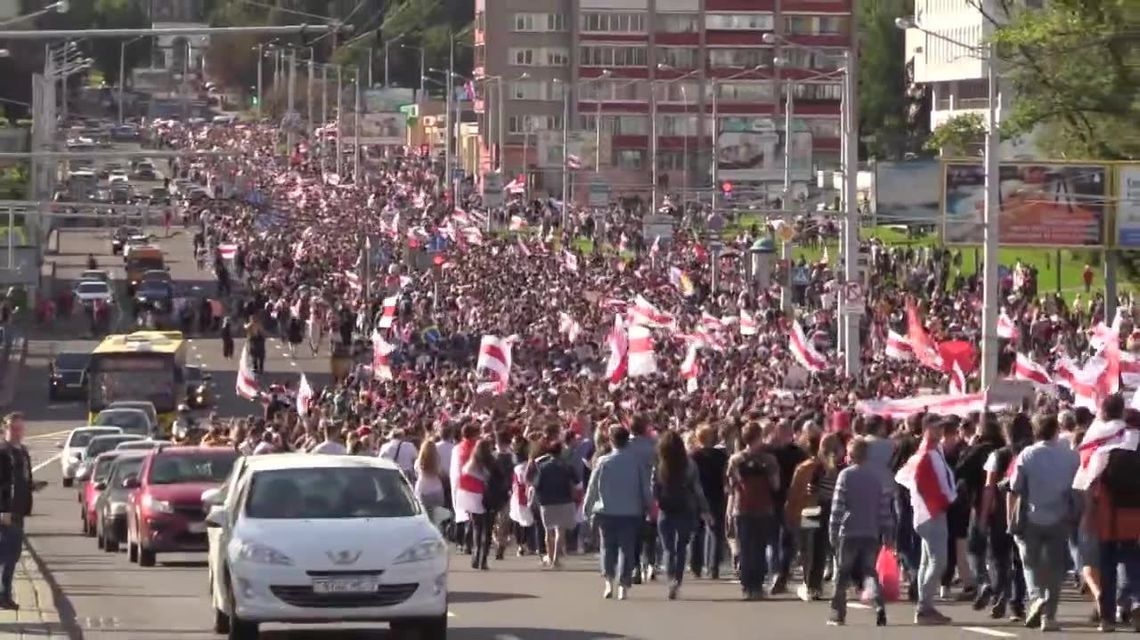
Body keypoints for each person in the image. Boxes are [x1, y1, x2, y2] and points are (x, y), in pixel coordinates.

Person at [1009, 412, 1079, 631]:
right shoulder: (1070, 455)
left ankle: (1036, 596)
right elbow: (1077, 484)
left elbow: (1016, 485)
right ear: (1056, 430)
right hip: (1060, 516)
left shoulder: (1027, 454)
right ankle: (1049, 616)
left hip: (1032, 516)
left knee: (1030, 563)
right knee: (1055, 569)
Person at [896, 414, 957, 625]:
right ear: (926, 430)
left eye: (942, 427)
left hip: (930, 512)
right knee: (937, 561)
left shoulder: (931, 452)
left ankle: (924, 605)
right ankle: (924, 608)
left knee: (927, 561)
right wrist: (937, 502)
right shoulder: (925, 455)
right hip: (931, 513)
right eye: (936, 427)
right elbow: (918, 482)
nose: (940, 431)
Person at [827, 436, 893, 627]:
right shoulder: (876, 478)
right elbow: (883, 508)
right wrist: (887, 532)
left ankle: (838, 614)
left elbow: (838, 507)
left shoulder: (845, 476)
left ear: (850, 455)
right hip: (871, 531)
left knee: (843, 573)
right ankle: (879, 606)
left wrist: (833, 530)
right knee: (870, 572)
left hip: (849, 531)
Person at [584, 425, 652, 601]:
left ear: (611, 441)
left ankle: (608, 581)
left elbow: (592, 487)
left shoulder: (603, 461)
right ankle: (623, 585)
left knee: (607, 547)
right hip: (631, 511)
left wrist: (587, 508)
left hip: (606, 510)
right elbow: (645, 487)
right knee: (626, 549)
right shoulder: (636, 462)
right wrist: (649, 505)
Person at [653, 429, 711, 600]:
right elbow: (697, 489)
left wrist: (654, 501)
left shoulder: (659, 464)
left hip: (666, 508)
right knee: (681, 547)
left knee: (668, 548)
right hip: (685, 508)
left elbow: (653, 487)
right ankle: (677, 580)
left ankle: (670, 578)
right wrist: (705, 510)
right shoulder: (689, 464)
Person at [726, 421, 780, 600]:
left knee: (746, 548)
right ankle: (757, 585)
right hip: (764, 507)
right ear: (759, 436)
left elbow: (730, 486)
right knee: (759, 547)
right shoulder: (769, 460)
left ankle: (747, 585)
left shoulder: (736, 460)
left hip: (741, 507)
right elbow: (776, 485)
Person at [0, 413, 34, 610]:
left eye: (20, 429)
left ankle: (5, 593)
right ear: (5, 429)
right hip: (6, 511)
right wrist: (2, 509)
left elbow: (23, 478)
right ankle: (4, 595)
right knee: (7, 553)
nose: (17, 433)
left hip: (19, 509)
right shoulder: (3, 452)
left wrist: (31, 487)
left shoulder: (22, 451)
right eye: (13, 429)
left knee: (12, 554)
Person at [531, 440, 580, 569]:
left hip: (546, 502)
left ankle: (549, 555)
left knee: (548, 531)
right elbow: (578, 483)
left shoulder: (542, 467)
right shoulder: (567, 466)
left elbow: (536, 485)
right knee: (560, 531)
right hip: (565, 500)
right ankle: (556, 559)